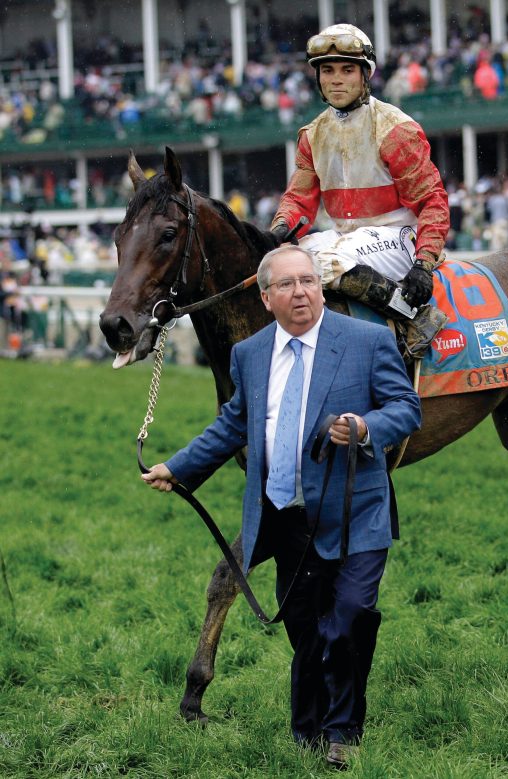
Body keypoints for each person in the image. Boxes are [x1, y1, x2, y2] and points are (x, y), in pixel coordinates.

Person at [141, 245, 421, 769]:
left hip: (355, 512)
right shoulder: (249, 355)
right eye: (288, 285)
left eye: (309, 281)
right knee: (307, 631)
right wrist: (178, 468)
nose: (302, 293)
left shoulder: (366, 340)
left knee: (349, 618)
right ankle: (308, 732)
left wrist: (364, 428)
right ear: (266, 298)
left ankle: (342, 732)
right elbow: (232, 425)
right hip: (286, 517)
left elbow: (406, 408)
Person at [268, 23, 450, 361]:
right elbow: (299, 200)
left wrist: (423, 263)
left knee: (324, 263)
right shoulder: (312, 134)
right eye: (328, 70)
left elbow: (432, 201)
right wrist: (279, 229)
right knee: (281, 263)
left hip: (400, 236)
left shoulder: (395, 129)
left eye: (347, 70)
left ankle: (414, 319)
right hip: (345, 236)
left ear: (365, 75)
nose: (336, 79)